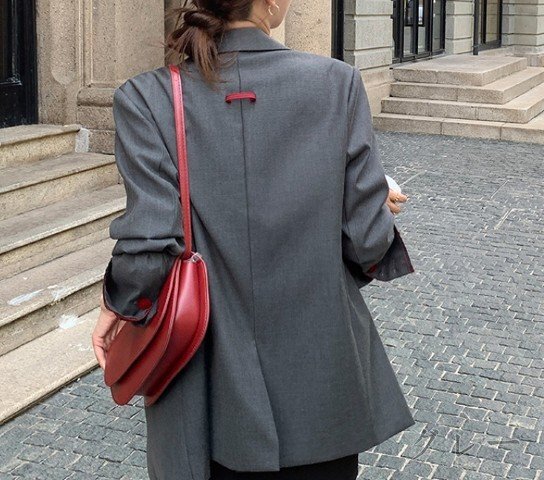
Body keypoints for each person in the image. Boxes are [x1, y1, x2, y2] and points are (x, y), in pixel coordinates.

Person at [91, 0, 415, 478]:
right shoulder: (337, 82)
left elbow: (149, 241)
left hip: (206, 391)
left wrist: (117, 304)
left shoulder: (145, 97)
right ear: (273, 2)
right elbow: (368, 241)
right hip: (320, 380)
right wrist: (365, 201)